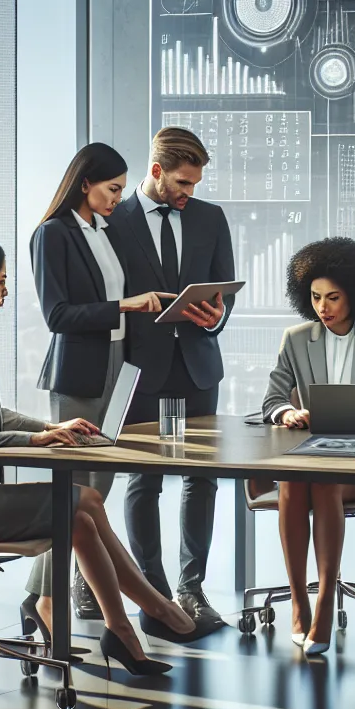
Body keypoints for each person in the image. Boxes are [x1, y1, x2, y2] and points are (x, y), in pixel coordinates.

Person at [0, 232, 200, 678]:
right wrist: (35, 443)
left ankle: (125, 627)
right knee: (81, 506)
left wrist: (50, 428)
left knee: (84, 506)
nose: (6, 291)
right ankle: (147, 615)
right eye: (2, 282)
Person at [18, 143, 177, 644]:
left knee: (97, 489)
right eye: (111, 189)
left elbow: (117, 295)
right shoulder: (52, 234)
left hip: (115, 365)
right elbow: (57, 316)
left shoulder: (105, 232)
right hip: (79, 373)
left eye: (122, 191)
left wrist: (152, 303)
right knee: (72, 494)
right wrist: (124, 305)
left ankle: (40, 593)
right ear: (85, 183)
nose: (117, 199)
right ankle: (44, 598)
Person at [107, 126, 236, 634]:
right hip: (139, 367)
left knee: (200, 477)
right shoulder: (114, 218)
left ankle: (191, 588)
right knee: (145, 479)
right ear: (156, 171)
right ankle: (154, 592)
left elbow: (224, 293)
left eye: (196, 183)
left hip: (197, 363)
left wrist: (214, 317)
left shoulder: (210, 217)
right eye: (183, 182)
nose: (189, 193)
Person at [260, 238, 355, 656]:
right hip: (307, 457)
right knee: (294, 480)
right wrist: (286, 414)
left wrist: (352, 416)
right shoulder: (295, 338)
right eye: (315, 297)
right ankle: (299, 599)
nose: (323, 307)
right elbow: (272, 400)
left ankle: (324, 600)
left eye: (333, 297)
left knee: (321, 482)